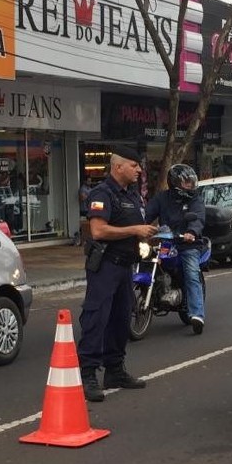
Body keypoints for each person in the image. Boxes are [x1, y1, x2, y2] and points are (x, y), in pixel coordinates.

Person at [77, 146, 158, 402]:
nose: (138, 170)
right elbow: (99, 231)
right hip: (106, 266)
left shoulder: (132, 195)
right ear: (118, 166)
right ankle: (88, 373)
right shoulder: (103, 193)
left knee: (122, 318)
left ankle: (115, 370)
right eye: (134, 166)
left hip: (126, 266)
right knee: (96, 318)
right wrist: (135, 229)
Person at [144, 164, 207, 334]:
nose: (190, 185)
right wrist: (138, 227)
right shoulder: (161, 198)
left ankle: (197, 314)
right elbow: (147, 215)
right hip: (165, 243)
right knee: (143, 260)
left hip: (188, 244)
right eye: (186, 182)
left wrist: (191, 232)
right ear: (175, 183)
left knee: (192, 273)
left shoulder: (195, 200)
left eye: (191, 182)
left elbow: (198, 218)